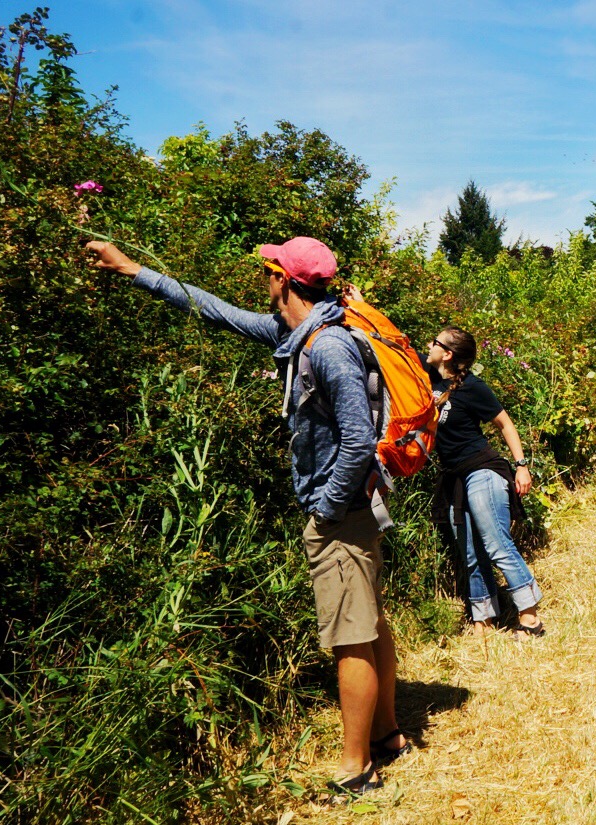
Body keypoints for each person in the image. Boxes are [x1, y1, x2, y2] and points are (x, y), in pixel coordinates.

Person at [85, 237, 407, 802]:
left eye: (267, 269)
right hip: (355, 508)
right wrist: (133, 270)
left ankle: (356, 767)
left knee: (350, 637)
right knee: (369, 621)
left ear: (284, 279)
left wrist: (327, 508)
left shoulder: (328, 347)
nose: (263, 278)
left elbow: (358, 438)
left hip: (342, 513)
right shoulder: (296, 333)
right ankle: (386, 734)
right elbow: (216, 311)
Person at [427, 327, 544, 639]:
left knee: (496, 545)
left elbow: (505, 424)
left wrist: (521, 466)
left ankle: (530, 618)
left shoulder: (473, 387)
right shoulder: (431, 377)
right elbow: (396, 350)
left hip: (482, 470)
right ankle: (483, 621)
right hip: (454, 477)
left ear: (448, 354)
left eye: (434, 342)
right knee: (470, 552)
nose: (429, 344)